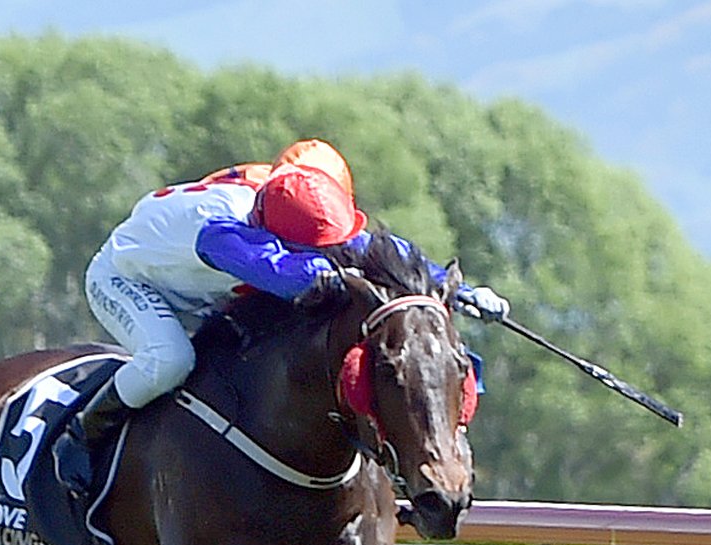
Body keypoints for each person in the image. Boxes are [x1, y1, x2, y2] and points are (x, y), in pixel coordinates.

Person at [57, 139, 509, 497]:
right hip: (127, 278)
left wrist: (462, 293)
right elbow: (292, 278)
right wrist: (342, 275)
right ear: (275, 233)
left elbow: (374, 250)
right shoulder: (222, 232)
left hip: (205, 288)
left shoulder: (293, 205)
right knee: (170, 360)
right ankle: (81, 432)